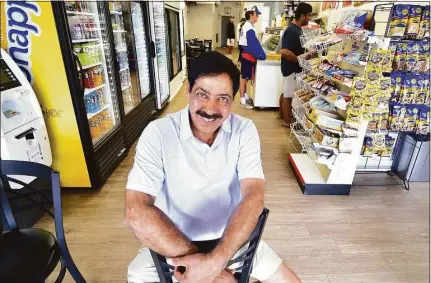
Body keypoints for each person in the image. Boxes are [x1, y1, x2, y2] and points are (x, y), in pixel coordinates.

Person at [125, 51, 302, 283]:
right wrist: (207, 266)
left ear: (233, 100)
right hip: (170, 243)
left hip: (231, 241)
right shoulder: (158, 133)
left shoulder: (244, 131)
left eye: (223, 98)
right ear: (188, 90)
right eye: (202, 94)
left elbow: (254, 197)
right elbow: (136, 211)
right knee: (137, 275)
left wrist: (217, 259)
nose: (210, 108)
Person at [279, 3, 312, 127]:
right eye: (309, 15)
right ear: (302, 16)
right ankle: (287, 122)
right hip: (290, 68)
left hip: (290, 68)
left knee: (286, 92)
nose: (310, 18)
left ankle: (281, 115)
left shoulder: (296, 29)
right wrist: (299, 60)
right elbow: (285, 51)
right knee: (288, 95)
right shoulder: (292, 30)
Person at [238, 6, 266, 109]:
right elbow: (253, 44)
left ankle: (244, 95)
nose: (257, 17)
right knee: (244, 78)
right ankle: (242, 100)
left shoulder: (247, 26)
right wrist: (261, 55)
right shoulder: (249, 27)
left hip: (246, 55)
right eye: (256, 14)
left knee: (245, 77)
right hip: (248, 56)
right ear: (251, 14)